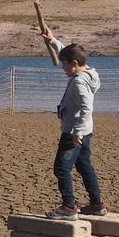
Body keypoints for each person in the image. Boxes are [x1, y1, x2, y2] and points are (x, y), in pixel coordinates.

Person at [40, 26, 105, 220]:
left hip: (74, 132)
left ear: (74, 64)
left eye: (65, 64)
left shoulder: (78, 82)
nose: (62, 67)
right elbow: (67, 53)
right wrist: (52, 40)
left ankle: (69, 207)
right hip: (86, 130)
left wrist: (77, 131)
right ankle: (96, 204)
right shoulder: (90, 72)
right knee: (84, 165)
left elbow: (86, 107)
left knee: (61, 168)